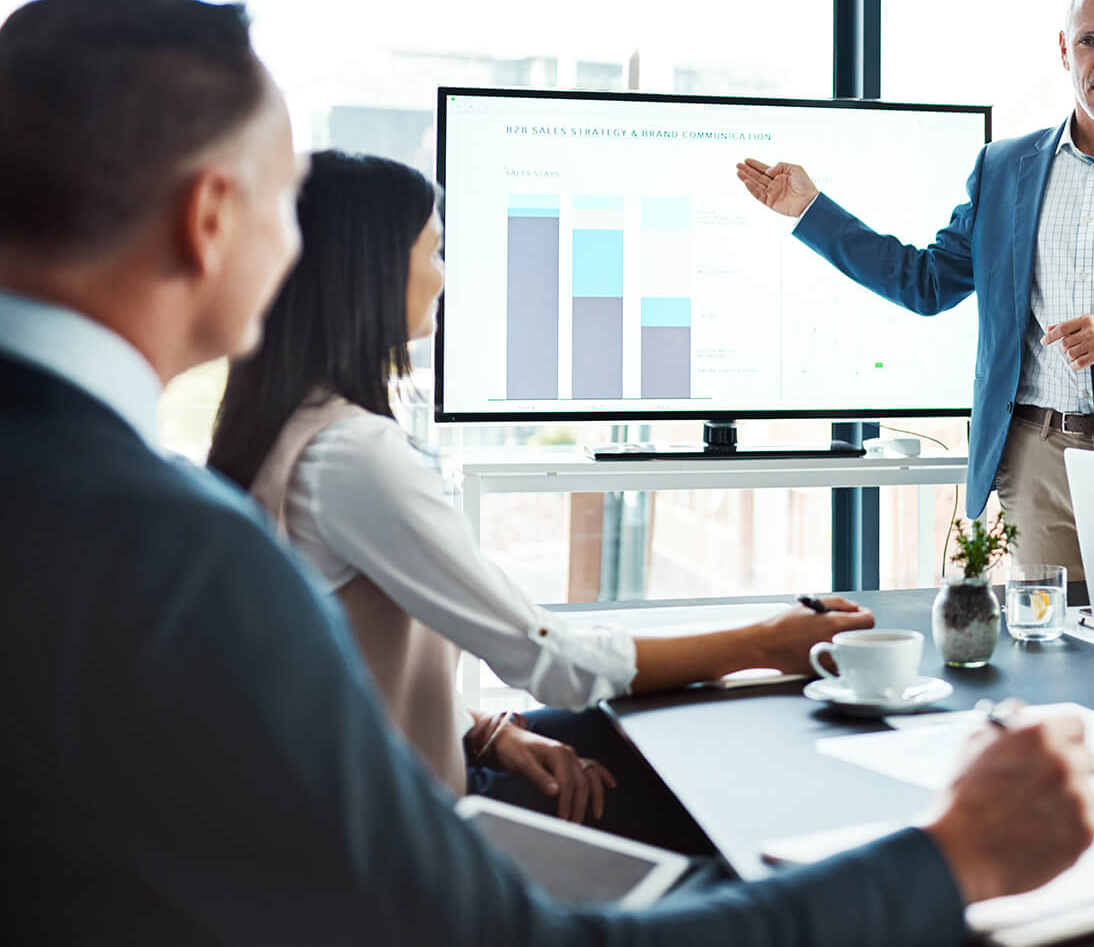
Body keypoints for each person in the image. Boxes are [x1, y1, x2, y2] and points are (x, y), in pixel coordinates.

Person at [0, 0, 1094, 945]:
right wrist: (950, 860)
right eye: (280, 202)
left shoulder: (127, 505)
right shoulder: (185, 548)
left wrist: (480, 728)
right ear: (207, 220)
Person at [206, 150, 873, 844]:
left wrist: (483, 730)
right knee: (721, 779)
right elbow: (555, 661)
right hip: (398, 835)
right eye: (434, 250)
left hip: (375, 784)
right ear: (370, 271)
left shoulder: (287, 429)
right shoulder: (352, 458)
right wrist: (768, 641)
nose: (443, 275)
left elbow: (342, 666)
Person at [737, 0, 1094, 593]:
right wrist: (811, 210)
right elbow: (927, 282)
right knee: (1053, 656)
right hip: (1035, 455)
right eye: (1088, 41)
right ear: (1063, 50)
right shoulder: (1004, 168)